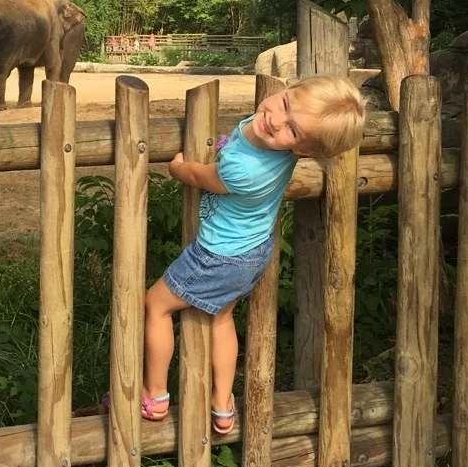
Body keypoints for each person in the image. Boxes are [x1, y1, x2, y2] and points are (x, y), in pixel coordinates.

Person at [142, 76, 366, 433]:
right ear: (288, 87)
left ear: (303, 152)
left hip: (219, 256)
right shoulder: (268, 135)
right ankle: (223, 405)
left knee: (155, 305)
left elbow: (200, 176)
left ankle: (154, 395)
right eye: (286, 103)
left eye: (292, 130)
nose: (275, 119)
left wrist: (177, 168)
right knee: (222, 318)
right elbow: (255, 128)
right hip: (253, 250)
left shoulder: (244, 171)